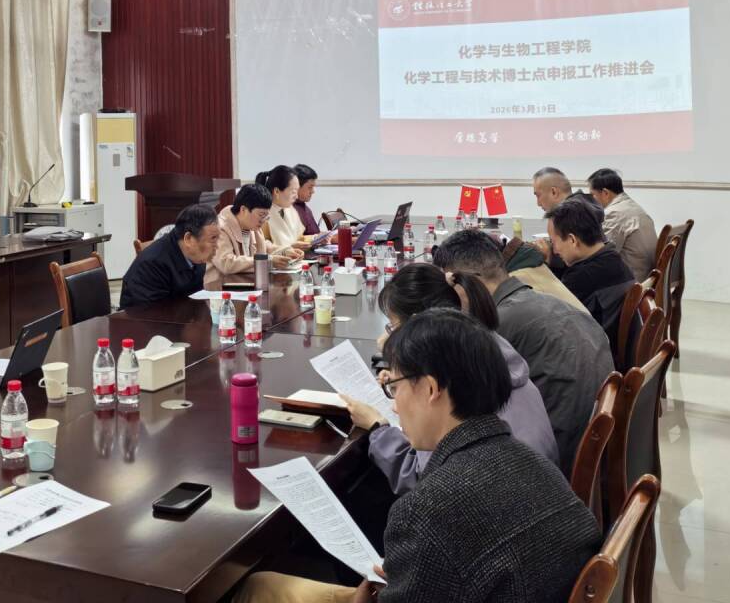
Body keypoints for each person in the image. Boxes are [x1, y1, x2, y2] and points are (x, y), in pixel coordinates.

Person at [235, 310, 601, 603]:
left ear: (430, 389)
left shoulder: (427, 509)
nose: (394, 405)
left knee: (258, 587)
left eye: (394, 387)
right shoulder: (537, 465)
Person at [341, 264, 559, 494]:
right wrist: (403, 379)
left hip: (501, 494)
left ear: (419, 323)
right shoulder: (484, 345)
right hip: (536, 486)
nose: (390, 335)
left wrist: (378, 428)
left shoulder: (456, 383)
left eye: (393, 326)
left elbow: (421, 477)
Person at [433, 230, 614, 471]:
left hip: (552, 465)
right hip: (596, 453)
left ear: (462, 283)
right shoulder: (548, 303)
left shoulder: (497, 326)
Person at [546, 197, 635, 352]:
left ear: (572, 240)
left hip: (594, 354)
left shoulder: (581, 277)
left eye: (553, 242)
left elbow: (550, 316)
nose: (554, 251)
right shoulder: (612, 257)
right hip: (612, 345)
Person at [119, 204, 220, 308]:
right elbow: (152, 313)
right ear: (189, 239)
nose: (217, 246)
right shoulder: (152, 264)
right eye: (213, 238)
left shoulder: (195, 256)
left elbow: (195, 299)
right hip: (143, 316)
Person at [207, 184, 299, 288]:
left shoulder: (252, 225)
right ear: (243, 209)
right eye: (261, 215)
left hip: (245, 285)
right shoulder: (219, 228)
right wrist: (267, 260)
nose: (263, 221)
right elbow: (226, 263)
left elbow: (263, 247)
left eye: (266, 216)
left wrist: (284, 251)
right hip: (220, 289)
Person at [587, 168, 658, 283]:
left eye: (592, 195)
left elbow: (601, 255)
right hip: (646, 278)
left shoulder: (614, 213)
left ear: (605, 193)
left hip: (633, 283)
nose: (591, 200)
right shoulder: (631, 206)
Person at [257, 166, 310, 252]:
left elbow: (298, 237)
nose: (296, 196)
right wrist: (288, 249)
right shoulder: (261, 214)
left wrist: (316, 238)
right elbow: (262, 246)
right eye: (293, 192)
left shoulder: (289, 209)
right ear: (277, 191)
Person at [291, 164, 322, 236]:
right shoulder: (289, 209)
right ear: (297, 186)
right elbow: (295, 239)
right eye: (310, 187)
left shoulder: (304, 207)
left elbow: (315, 234)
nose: (313, 191)